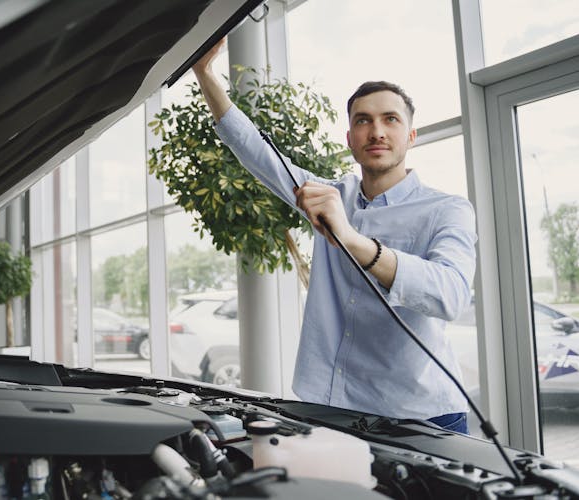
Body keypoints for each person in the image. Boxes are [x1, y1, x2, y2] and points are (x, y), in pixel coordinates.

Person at [192, 39, 477, 434]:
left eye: (390, 119)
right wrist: (204, 74)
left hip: (420, 416)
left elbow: (452, 295)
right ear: (349, 139)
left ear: (412, 136)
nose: (376, 131)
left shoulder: (448, 210)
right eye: (363, 120)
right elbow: (255, 151)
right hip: (331, 408)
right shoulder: (332, 195)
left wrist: (354, 240)